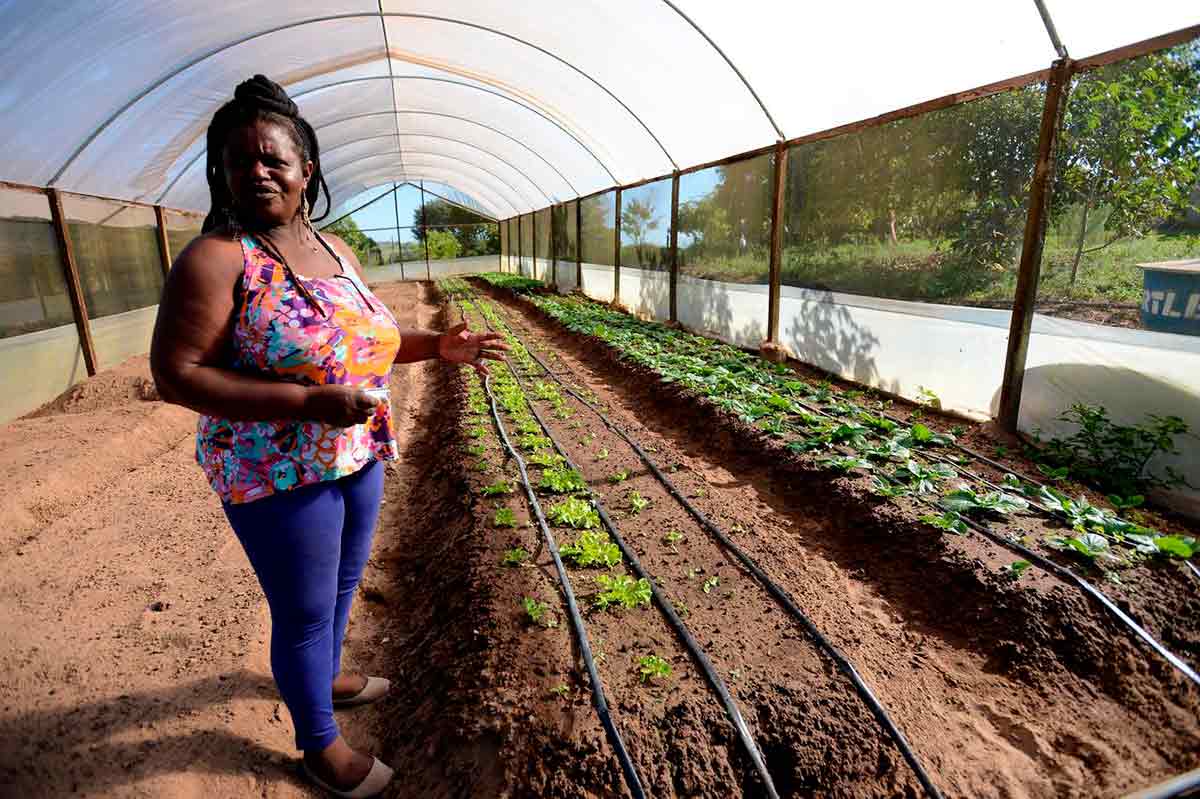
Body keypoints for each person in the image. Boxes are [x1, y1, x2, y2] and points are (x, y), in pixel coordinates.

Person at [150, 75, 506, 798]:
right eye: (238, 160)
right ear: (219, 172)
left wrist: (435, 347)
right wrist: (305, 403)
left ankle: (331, 675)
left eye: (273, 159)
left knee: (343, 583)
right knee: (304, 609)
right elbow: (177, 374)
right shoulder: (216, 259)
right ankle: (318, 745)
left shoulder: (333, 248)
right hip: (277, 470)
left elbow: (359, 343)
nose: (257, 171)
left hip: (354, 449)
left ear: (305, 170)